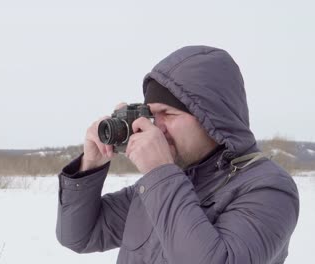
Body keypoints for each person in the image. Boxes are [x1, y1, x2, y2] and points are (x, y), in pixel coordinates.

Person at [55, 45, 299, 264]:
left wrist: (160, 173)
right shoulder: (156, 186)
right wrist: (90, 166)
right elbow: (79, 236)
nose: (155, 127)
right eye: (151, 114)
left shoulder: (269, 189)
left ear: (211, 118)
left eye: (168, 114)